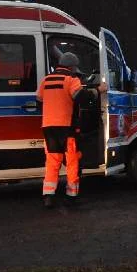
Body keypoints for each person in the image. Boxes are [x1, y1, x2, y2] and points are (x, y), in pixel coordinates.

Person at [37, 52, 105, 208]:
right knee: (72, 162)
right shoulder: (71, 80)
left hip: (48, 127)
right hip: (66, 128)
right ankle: (71, 196)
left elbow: (39, 100)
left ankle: (48, 195)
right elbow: (83, 97)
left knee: (52, 162)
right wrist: (99, 90)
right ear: (71, 66)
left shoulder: (46, 80)